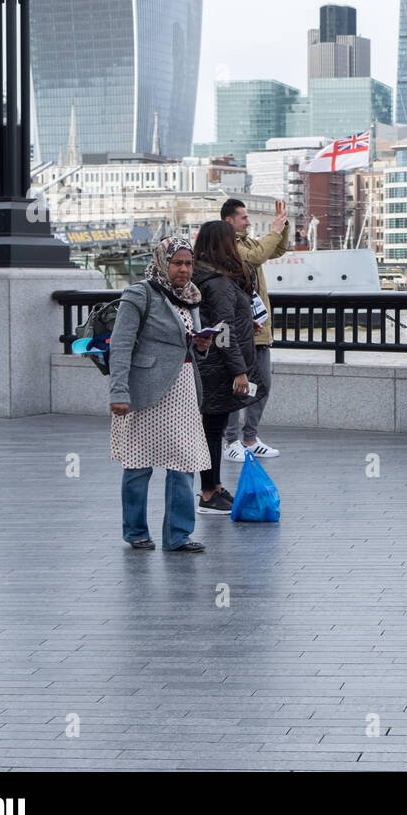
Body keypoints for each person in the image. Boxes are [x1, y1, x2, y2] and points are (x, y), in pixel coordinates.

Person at [107, 236, 212, 553]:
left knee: (184, 461)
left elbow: (186, 345)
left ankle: (178, 534)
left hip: (183, 391)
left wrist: (201, 346)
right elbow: (121, 345)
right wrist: (119, 391)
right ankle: (136, 530)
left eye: (189, 263)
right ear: (163, 262)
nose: (184, 269)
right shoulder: (141, 293)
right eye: (177, 262)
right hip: (146, 390)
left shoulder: (190, 297)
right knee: (138, 463)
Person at [193, 219, 266, 515]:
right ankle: (209, 493)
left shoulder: (205, 277)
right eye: (232, 240)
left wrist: (245, 321)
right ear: (224, 244)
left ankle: (215, 487)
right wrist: (240, 371)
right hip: (219, 368)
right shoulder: (220, 282)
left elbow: (217, 322)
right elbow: (223, 332)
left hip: (210, 364)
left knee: (214, 428)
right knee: (213, 429)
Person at [220, 197, 289, 461]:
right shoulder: (229, 246)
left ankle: (250, 438)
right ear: (230, 221)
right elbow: (259, 256)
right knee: (237, 386)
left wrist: (283, 226)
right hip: (239, 328)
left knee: (263, 385)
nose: (248, 221)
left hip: (259, 329)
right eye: (244, 218)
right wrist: (274, 230)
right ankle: (231, 441)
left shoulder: (247, 242)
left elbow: (277, 251)